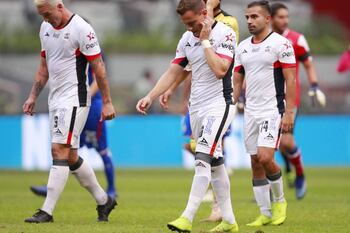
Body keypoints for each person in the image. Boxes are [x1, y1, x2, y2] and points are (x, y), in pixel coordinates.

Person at [137, 0, 238, 232]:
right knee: (216, 163)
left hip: (220, 105)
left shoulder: (225, 33)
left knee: (202, 156)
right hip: (196, 109)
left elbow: (221, 69)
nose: (190, 28)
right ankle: (230, 222)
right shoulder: (186, 38)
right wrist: (150, 96)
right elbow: (174, 71)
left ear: (204, 13)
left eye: (192, 23)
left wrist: (204, 40)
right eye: (185, 24)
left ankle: (186, 217)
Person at [23, 0, 117, 223]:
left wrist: (107, 101)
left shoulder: (82, 29)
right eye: (41, 15)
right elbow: (43, 69)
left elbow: (99, 67)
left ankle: (47, 211)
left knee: (59, 150)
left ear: (59, 5)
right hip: (56, 99)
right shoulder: (45, 28)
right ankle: (104, 200)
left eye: (47, 13)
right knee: (71, 156)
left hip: (76, 99)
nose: (46, 19)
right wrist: (33, 96)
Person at [232, 0, 295, 227]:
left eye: (254, 17)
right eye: (247, 17)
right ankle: (265, 212)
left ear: (267, 19)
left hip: (272, 110)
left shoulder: (282, 44)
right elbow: (237, 78)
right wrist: (231, 103)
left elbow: (291, 79)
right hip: (251, 111)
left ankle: (280, 200)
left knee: (266, 157)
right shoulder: (243, 47)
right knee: (255, 162)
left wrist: (289, 113)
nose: (249, 21)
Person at [30, 59, 118, 199]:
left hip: (92, 108)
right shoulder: (67, 46)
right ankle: (51, 188)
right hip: (74, 106)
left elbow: (99, 77)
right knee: (62, 148)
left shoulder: (88, 44)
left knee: (102, 149)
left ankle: (112, 190)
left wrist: (86, 98)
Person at [271, 2, 326, 199]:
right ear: (271, 18)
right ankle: (272, 185)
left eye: (287, 17)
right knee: (269, 146)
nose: (285, 20)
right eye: (281, 17)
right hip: (266, 100)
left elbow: (308, 65)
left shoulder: (297, 39)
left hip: (289, 100)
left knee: (286, 142)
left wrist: (314, 86)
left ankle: (300, 175)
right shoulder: (262, 40)